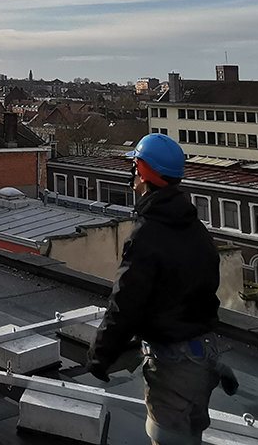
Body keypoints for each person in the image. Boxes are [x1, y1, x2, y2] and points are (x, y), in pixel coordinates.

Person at [86, 133, 237, 444]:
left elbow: (125, 302)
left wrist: (101, 355)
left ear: (142, 173)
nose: (132, 179)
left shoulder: (148, 236)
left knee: (168, 438)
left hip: (175, 367)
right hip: (201, 356)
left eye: (134, 170)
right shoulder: (195, 229)